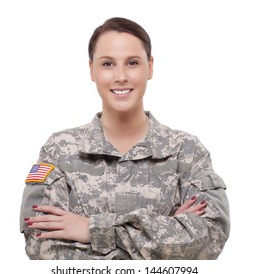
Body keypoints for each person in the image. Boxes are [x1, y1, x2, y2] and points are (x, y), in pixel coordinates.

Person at [19, 17, 230, 260]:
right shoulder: (59, 150)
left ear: (150, 67)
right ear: (91, 70)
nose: (120, 76)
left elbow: (210, 238)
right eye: (107, 64)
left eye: (132, 63)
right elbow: (40, 246)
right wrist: (165, 229)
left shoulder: (187, 152)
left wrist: (91, 229)